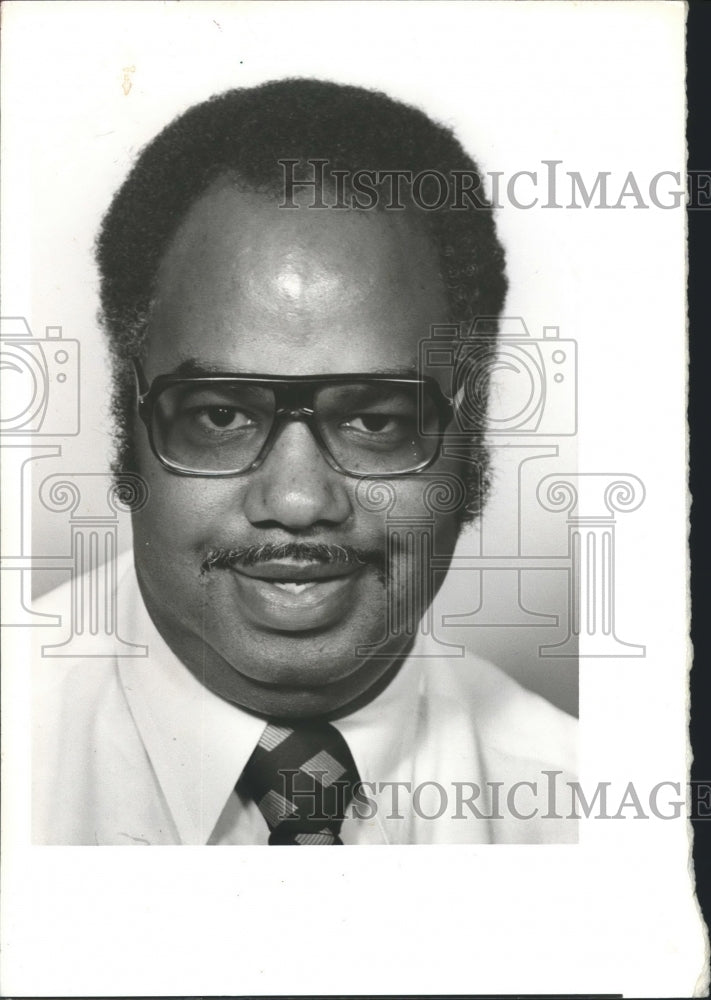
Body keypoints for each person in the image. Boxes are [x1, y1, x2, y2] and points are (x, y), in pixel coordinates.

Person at [32, 78, 576, 845]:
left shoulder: (582, 818)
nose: (295, 500)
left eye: (374, 419)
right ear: (129, 419)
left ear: (471, 425)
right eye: (219, 415)